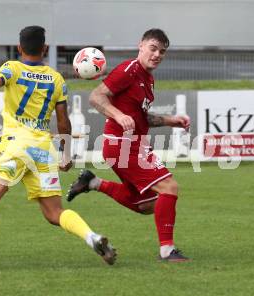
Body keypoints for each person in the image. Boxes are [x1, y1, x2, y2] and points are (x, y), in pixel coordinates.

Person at [0, 26, 116, 270]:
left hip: (16, 145)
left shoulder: (12, 68)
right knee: (54, 212)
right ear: (45, 49)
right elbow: (63, 122)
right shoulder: (56, 79)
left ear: (19, 48)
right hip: (44, 150)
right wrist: (66, 153)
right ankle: (92, 237)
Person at [67, 28, 190, 262]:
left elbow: (141, 118)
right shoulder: (128, 69)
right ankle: (167, 250)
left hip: (132, 144)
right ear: (141, 46)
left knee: (146, 205)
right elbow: (96, 96)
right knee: (169, 188)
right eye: (153, 48)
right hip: (122, 144)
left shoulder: (148, 78)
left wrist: (170, 121)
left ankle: (93, 182)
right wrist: (117, 115)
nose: (157, 55)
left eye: (162, 52)